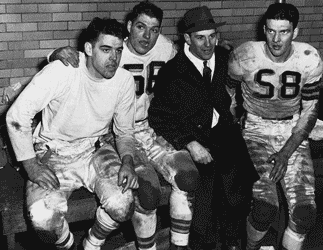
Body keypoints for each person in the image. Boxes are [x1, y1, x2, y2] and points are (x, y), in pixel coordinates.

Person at [47, 1, 200, 250]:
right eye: (141, 27)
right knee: (147, 194)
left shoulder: (166, 48)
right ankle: (135, 245)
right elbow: (72, 60)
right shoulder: (112, 50)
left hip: (152, 127)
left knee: (188, 177)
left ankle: (179, 246)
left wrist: (220, 51)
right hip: (115, 132)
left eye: (154, 29)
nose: (147, 36)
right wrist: (55, 54)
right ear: (129, 26)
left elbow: (188, 59)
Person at [6, 17, 146, 250]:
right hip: (54, 151)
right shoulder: (63, 70)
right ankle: (69, 246)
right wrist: (32, 166)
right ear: (89, 49)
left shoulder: (124, 80)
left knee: (123, 204)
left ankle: (92, 242)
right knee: (43, 220)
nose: (114, 58)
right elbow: (16, 116)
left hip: (94, 149)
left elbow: (124, 132)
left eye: (119, 50)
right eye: (106, 49)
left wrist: (128, 162)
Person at [148, 6, 259, 250]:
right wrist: (189, 142)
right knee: (203, 204)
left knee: (238, 192)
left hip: (225, 136)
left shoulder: (226, 59)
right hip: (196, 139)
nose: (208, 43)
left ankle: (232, 243)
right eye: (200, 37)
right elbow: (159, 116)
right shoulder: (172, 71)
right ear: (187, 39)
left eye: (212, 36)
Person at [227, 3, 323, 250]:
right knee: (265, 206)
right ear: (263, 29)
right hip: (255, 130)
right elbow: (227, 94)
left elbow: (310, 111)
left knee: (304, 213)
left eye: (284, 32)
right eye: (271, 31)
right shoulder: (244, 55)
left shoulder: (309, 58)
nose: (276, 39)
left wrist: (285, 153)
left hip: (292, 130)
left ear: (296, 32)